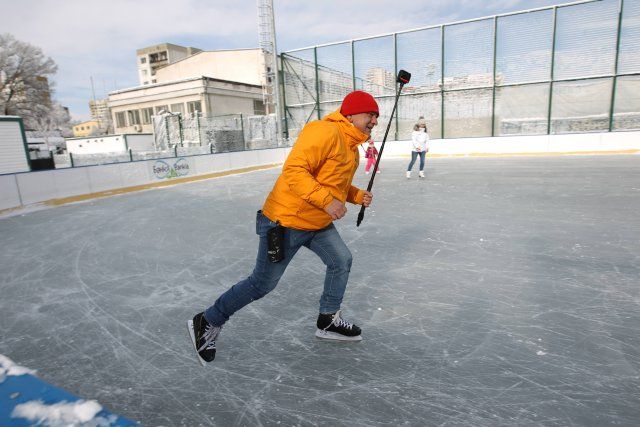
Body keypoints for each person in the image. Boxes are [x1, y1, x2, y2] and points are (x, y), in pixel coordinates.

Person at [188, 90, 379, 364]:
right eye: (369, 114)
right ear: (351, 113)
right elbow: (295, 172)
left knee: (341, 260)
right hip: (286, 221)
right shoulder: (324, 132)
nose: (373, 121)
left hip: (316, 222)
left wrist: (357, 195)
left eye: (376, 116)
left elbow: (332, 182)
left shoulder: (350, 146)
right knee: (261, 284)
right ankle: (207, 321)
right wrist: (327, 202)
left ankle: (328, 320)